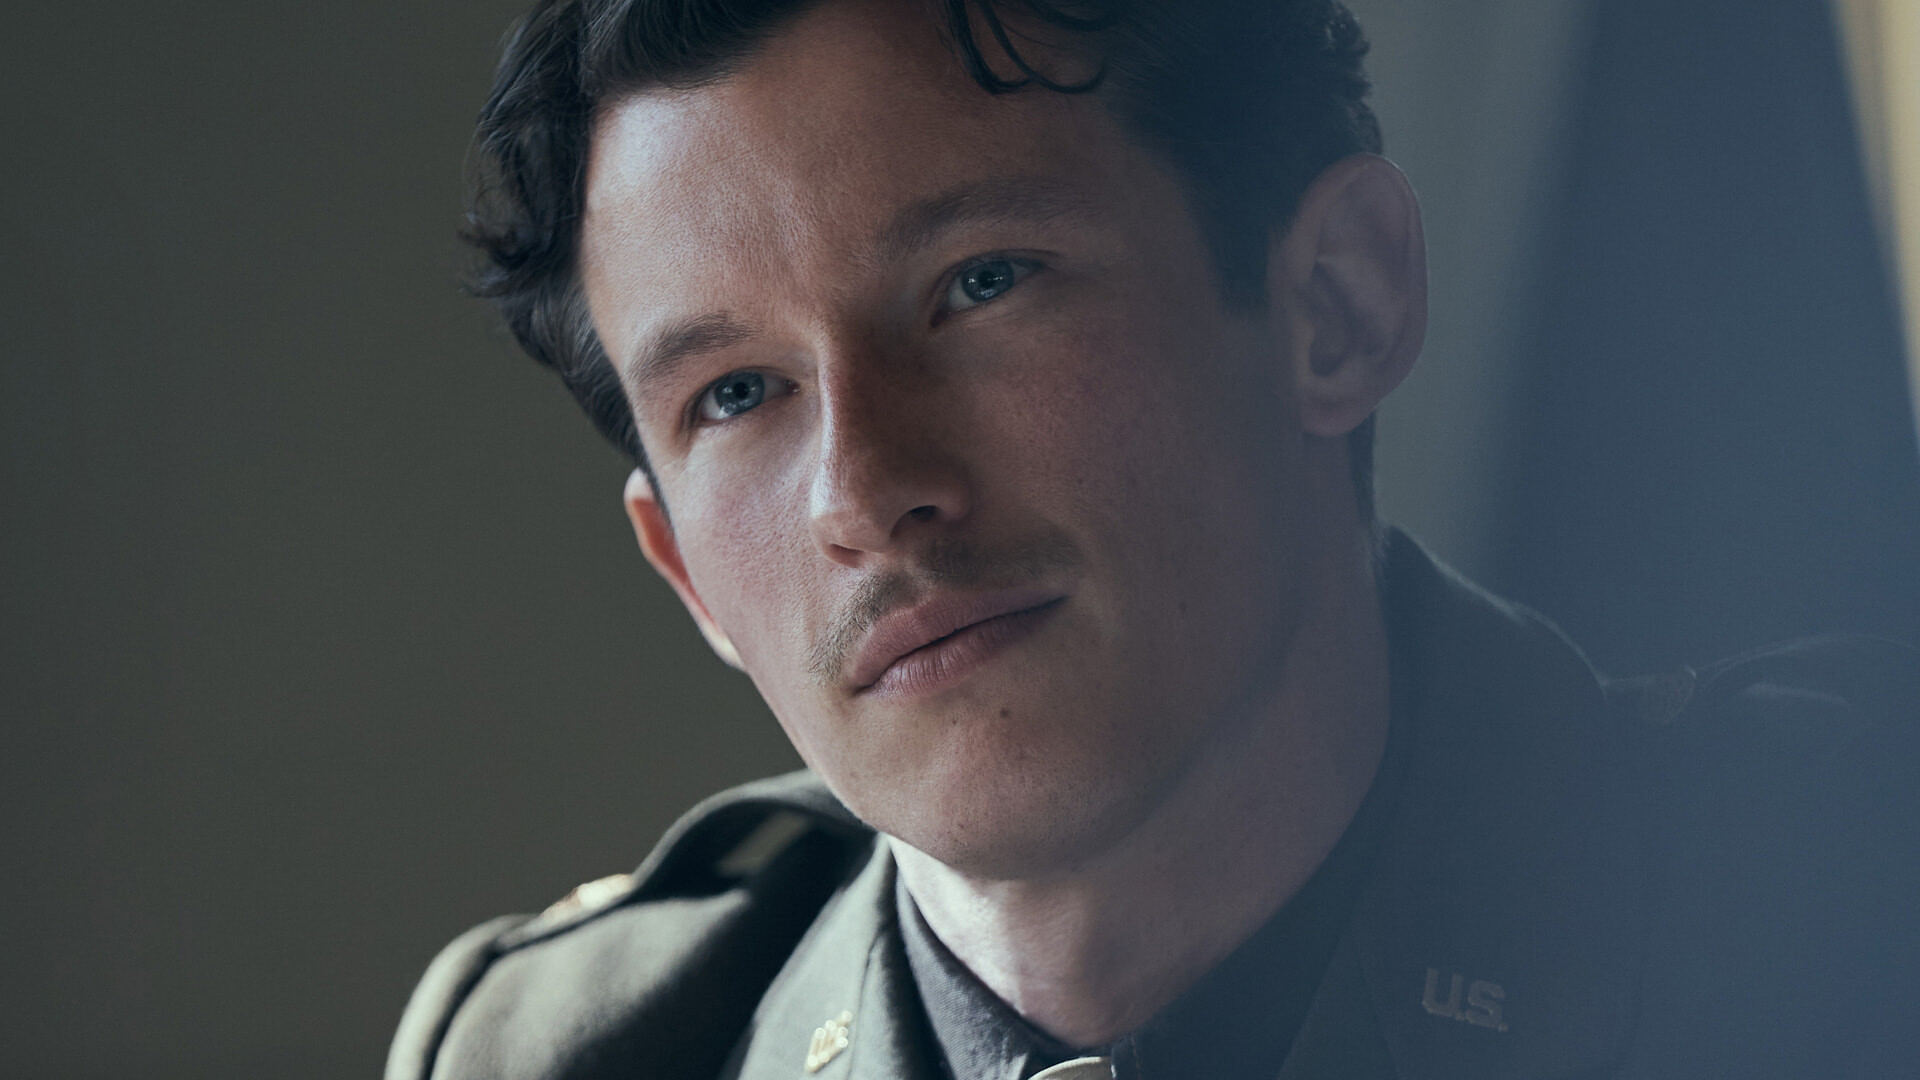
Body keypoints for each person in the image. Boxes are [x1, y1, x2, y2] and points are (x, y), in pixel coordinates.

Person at [388, 1, 1920, 1077]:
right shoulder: (574, 1054)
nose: (863, 492)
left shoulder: (1852, 914)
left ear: (1338, 303)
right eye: (735, 393)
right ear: (684, 574)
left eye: (982, 283)